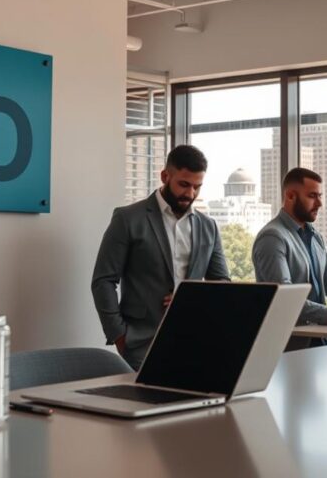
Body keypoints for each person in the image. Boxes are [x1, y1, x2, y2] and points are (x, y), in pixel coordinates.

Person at [91, 145, 229, 369]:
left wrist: (191, 298)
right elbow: (103, 281)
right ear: (165, 176)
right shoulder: (127, 218)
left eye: (197, 187)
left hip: (195, 341)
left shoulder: (208, 226)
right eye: (184, 184)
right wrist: (119, 336)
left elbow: (222, 282)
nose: (190, 194)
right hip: (140, 344)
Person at [252, 167, 327, 349]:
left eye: (320, 196)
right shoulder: (272, 238)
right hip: (292, 345)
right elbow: (285, 297)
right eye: (312, 196)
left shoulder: (315, 236)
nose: (319, 203)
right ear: (290, 196)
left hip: (322, 339)